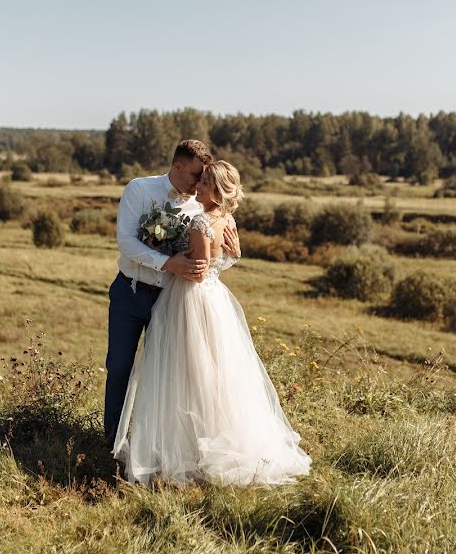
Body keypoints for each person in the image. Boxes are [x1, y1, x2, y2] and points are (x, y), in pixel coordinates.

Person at [112, 161, 312, 485]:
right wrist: (227, 255)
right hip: (214, 299)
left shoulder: (201, 222)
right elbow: (224, 259)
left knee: (187, 376)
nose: (198, 188)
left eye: (205, 184)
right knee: (213, 375)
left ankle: (189, 452)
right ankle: (201, 443)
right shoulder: (226, 218)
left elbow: (200, 269)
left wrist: (165, 247)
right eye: (200, 181)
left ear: (217, 192)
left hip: (191, 299)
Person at [104, 140, 240, 449]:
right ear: (177, 166)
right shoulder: (139, 189)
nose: (197, 184)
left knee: (166, 376)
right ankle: (112, 440)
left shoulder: (203, 205)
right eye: (195, 175)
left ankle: (154, 443)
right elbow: (125, 241)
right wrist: (167, 261)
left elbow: (208, 266)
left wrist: (233, 256)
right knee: (120, 366)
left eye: (203, 177)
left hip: (172, 302)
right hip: (130, 291)